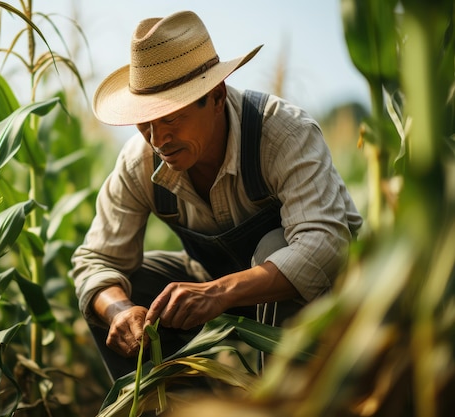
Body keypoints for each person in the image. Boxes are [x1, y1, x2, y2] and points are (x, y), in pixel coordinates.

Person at [71, 10, 362, 381]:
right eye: (146, 122)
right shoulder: (138, 163)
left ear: (216, 96)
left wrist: (219, 293)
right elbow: (95, 261)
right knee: (121, 292)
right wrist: (118, 312)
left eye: (171, 118)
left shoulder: (283, 134)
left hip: (332, 298)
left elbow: (324, 245)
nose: (158, 140)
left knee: (277, 246)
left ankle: (286, 400)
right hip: (214, 281)